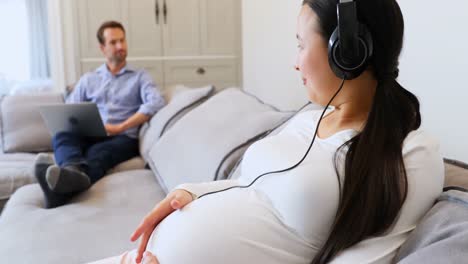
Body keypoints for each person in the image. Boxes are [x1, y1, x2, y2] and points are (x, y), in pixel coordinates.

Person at [92, 0, 444, 263]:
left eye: (301, 45)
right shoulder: (308, 117)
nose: (295, 61)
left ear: (347, 52)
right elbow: (251, 184)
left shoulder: (412, 152)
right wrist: (190, 192)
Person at [34, 21, 165, 209]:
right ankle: (71, 172)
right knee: (62, 134)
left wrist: (121, 127)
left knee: (97, 154)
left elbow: (156, 102)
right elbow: (69, 109)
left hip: (123, 137)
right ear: (102, 48)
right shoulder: (89, 79)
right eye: (113, 42)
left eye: (122, 40)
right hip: (92, 133)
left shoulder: (140, 76)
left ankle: (58, 191)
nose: (120, 46)